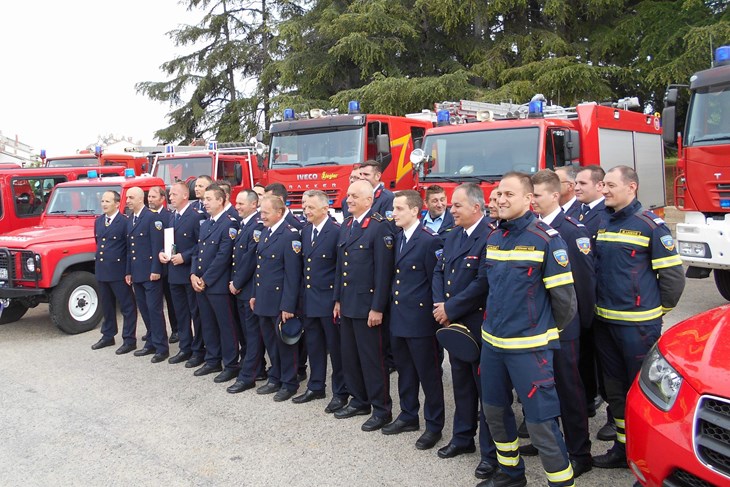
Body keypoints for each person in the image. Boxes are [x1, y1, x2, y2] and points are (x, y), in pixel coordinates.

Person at [478, 172, 577, 487]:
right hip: (493, 347)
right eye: (498, 194)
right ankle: (511, 474)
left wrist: (539, 330)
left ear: (528, 198)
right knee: (495, 412)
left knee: (540, 423)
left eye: (509, 194)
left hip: (529, 350)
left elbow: (565, 303)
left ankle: (561, 482)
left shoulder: (546, 239)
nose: (501, 200)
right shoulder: (494, 237)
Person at [592, 165, 685, 469]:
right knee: (615, 391)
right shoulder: (603, 221)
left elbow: (672, 278)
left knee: (642, 392)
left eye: (610, 186)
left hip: (637, 327)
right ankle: (624, 449)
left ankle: (645, 459)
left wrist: (656, 313)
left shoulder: (650, 225)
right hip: (605, 324)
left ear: (631, 187)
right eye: (603, 185)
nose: (604, 190)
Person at [526, 170, 594, 478]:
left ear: (555, 195)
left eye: (537, 195)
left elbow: (581, 287)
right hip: (537, 329)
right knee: (543, 390)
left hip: (564, 329)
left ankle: (580, 451)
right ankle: (550, 441)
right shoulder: (531, 228)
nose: (532, 201)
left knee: (569, 390)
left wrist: (578, 328)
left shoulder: (569, 231)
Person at [432, 183, 497, 481]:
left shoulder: (491, 236)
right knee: (461, 383)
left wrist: (451, 308)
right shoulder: (454, 234)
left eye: (457, 205)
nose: (451, 210)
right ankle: (462, 437)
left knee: (486, 390)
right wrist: (439, 304)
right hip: (453, 322)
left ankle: (490, 452)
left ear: (476, 207)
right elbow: (439, 270)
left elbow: (482, 283)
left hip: (477, 323)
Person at [385, 190, 445, 450]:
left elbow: (436, 281)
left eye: (399, 209)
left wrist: (436, 318)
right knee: (405, 372)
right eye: (393, 209)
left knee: (428, 375)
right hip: (399, 317)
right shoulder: (398, 238)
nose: (393, 213)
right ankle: (409, 415)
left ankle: (434, 425)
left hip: (421, 321)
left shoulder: (429, 240)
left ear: (414, 210)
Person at [333, 180, 394, 431]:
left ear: (369, 200)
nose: (349, 200)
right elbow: (341, 267)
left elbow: (383, 272)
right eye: (348, 196)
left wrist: (378, 307)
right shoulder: (347, 224)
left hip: (368, 306)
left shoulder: (379, 227)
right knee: (350, 356)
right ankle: (359, 400)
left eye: (355, 197)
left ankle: (381, 409)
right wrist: (337, 299)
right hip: (347, 303)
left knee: (372, 360)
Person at [294, 190, 348, 412]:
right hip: (310, 300)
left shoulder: (336, 232)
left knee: (336, 350)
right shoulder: (306, 231)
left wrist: (338, 300)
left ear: (326, 209)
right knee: (314, 345)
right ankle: (316, 386)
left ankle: (341, 392)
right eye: (305, 208)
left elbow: (340, 269)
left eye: (311, 208)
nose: (306, 211)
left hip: (328, 301)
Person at [250, 194, 303, 402]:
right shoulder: (265, 232)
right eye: (261, 212)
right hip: (264, 298)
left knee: (284, 344)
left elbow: (292, 275)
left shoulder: (289, 235)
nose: (261, 216)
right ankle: (275, 377)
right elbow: (260, 268)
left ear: (279, 213)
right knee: (271, 342)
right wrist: (254, 294)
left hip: (280, 301)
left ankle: (289, 382)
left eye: (265, 212)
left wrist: (288, 306)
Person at [190, 184, 240, 384]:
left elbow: (223, 257)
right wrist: (194, 274)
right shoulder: (206, 224)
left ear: (221, 200)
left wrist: (206, 279)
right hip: (201, 283)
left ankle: (230, 364)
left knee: (225, 326)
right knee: (208, 324)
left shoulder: (229, 224)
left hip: (217, 285)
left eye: (209, 199)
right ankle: (212, 359)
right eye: (204, 199)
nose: (205, 202)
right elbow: (197, 252)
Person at [574, 165, 611, 428]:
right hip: (582, 300)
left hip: (599, 299)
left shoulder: (605, 214)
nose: (576, 188)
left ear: (599, 186)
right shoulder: (579, 211)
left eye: (582, 183)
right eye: (575, 183)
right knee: (585, 356)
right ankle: (587, 399)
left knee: (605, 362)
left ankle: (613, 415)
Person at [159, 182, 207, 367]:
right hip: (174, 272)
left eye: (174, 194)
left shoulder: (196, 217)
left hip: (189, 272)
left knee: (195, 313)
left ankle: (198, 350)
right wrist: (164, 253)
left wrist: (185, 257)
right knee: (181, 313)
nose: (170, 197)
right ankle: (185, 347)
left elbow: (200, 244)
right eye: (170, 195)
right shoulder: (173, 217)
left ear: (185, 196)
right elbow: (170, 242)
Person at [227, 190, 268, 394]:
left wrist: (237, 282)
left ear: (254, 205)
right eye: (237, 203)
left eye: (242, 203)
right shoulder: (245, 224)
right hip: (241, 289)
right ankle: (258, 368)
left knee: (252, 336)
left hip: (249, 288)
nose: (238, 206)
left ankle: (248, 376)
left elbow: (250, 258)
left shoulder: (257, 227)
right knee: (246, 333)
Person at [91, 190, 137, 355]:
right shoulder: (99, 221)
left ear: (117, 204)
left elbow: (129, 249)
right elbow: (99, 243)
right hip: (103, 270)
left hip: (118, 271)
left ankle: (129, 339)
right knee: (107, 305)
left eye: (107, 201)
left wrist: (128, 271)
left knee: (127, 306)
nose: (104, 204)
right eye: (102, 201)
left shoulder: (124, 222)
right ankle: (108, 335)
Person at [126, 187, 168, 363]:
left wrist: (156, 270)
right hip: (137, 272)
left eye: (131, 197)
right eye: (127, 197)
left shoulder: (152, 218)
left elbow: (157, 245)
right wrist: (128, 271)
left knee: (154, 310)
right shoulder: (131, 219)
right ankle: (150, 341)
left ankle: (161, 347)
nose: (127, 200)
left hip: (151, 273)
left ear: (140, 199)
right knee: (144, 309)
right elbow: (130, 249)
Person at [148, 185, 179, 344]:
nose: (150, 199)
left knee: (171, 300)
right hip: (154, 262)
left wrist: (170, 256)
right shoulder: (147, 216)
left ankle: (176, 329)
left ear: (162, 199)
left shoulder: (168, 216)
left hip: (167, 264)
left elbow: (172, 240)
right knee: (154, 303)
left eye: (154, 197)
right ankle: (154, 330)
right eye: (149, 197)